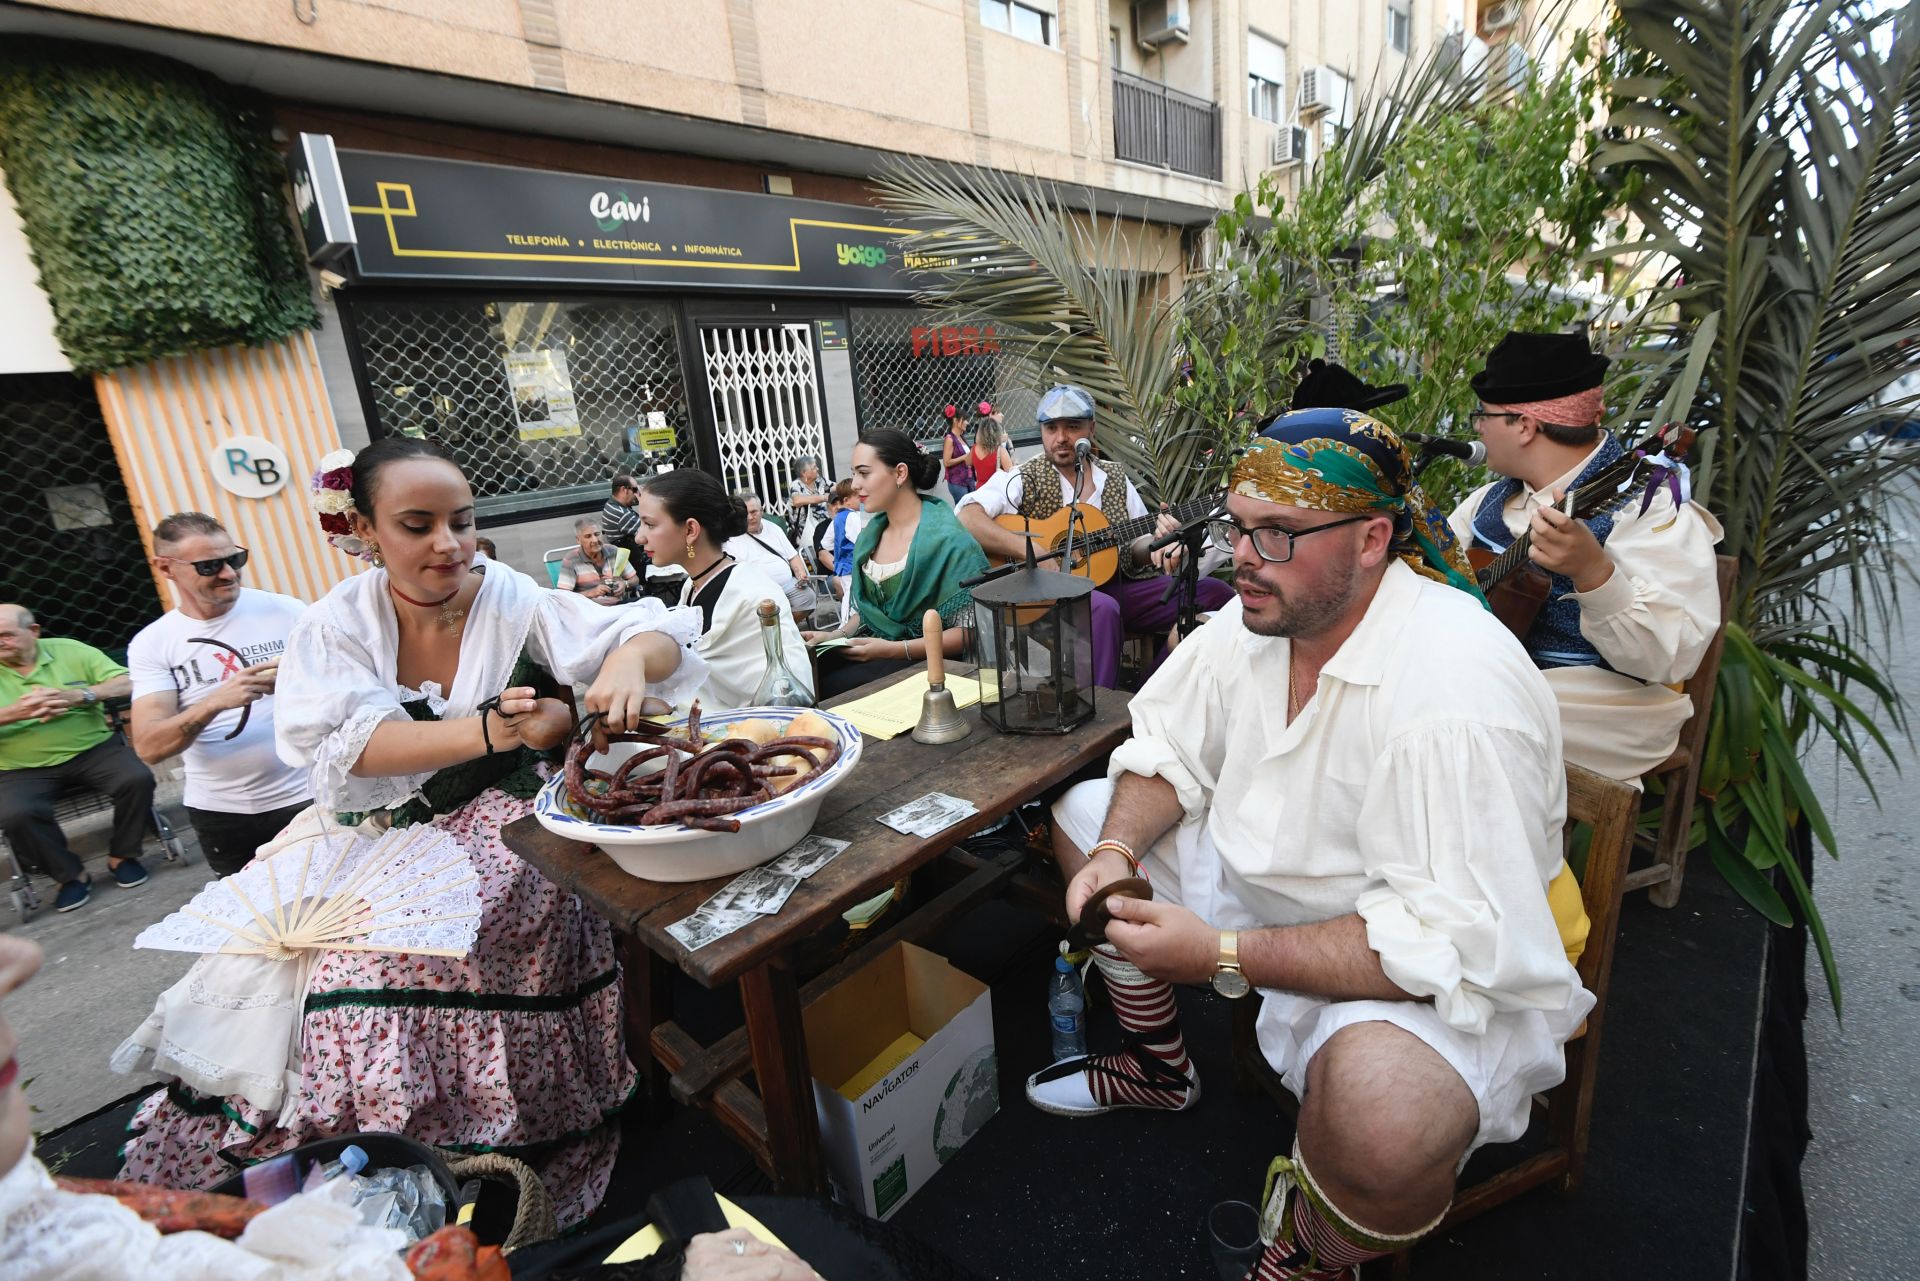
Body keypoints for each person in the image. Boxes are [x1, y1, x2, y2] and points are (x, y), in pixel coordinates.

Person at [1029, 410, 1591, 1281]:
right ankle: (1160, 1068)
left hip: (1438, 958)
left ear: (1372, 539)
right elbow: (1170, 746)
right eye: (1237, 527)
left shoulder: (1456, 695)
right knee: (1085, 815)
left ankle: (1308, 1257)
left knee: (1384, 1117)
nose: (1243, 558)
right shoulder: (1262, 616)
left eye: (1278, 533)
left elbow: (1453, 940)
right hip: (1276, 890)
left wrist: (1221, 952)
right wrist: (1115, 854)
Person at [114, 437, 706, 1229]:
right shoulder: (337, 622)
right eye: (417, 524)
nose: (448, 544)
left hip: (504, 823)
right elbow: (355, 747)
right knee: (315, 966)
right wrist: (497, 729)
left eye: (461, 520)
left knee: (456, 938)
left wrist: (630, 658)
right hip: (372, 829)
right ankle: (381, 1151)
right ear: (364, 528)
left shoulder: (512, 597)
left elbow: (655, 635)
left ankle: (490, 1135)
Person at [1446, 331, 1724, 782]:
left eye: (1484, 415)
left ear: (1524, 425)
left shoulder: (1650, 509)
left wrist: (1594, 574)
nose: (1478, 427)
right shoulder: (1487, 503)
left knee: (1453, 711)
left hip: (1605, 708)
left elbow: (1672, 657)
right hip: (1497, 683)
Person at [955, 384, 1234, 688]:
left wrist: (1158, 543)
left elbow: (1135, 544)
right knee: (1102, 609)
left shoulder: (1114, 477)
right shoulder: (1024, 477)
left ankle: (1150, 688)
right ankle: (1100, 706)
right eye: (1051, 428)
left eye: (1073, 426)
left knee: (1215, 594)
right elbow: (968, 517)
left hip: (1115, 587)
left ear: (1092, 428)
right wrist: (1032, 549)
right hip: (1045, 596)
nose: (1061, 437)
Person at [126, 513, 311, 878]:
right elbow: (149, 746)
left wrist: (299, 681)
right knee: (254, 909)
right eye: (209, 566)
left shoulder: (286, 611)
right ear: (166, 568)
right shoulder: (153, 642)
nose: (228, 573)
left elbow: (345, 687)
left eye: (235, 559)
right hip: (223, 813)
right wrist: (214, 702)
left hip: (308, 795)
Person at [801, 430, 988, 699]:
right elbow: (870, 612)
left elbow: (970, 632)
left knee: (834, 689)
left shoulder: (950, 541)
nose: (855, 485)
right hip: (879, 654)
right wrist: (835, 636)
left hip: (932, 668)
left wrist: (895, 649)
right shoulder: (869, 538)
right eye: (854, 474)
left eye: (864, 473)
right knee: (808, 673)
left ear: (900, 473)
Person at [0, 606, 154, 912]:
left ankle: (123, 856)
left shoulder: (70, 650)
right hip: (21, 768)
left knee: (136, 779)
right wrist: (14, 713)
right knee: (15, 813)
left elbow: (128, 682)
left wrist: (80, 695)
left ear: (34, 631)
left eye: (6, 635)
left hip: (93, 749)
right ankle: (69, 876)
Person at [635, 473, 814, 710]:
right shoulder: (692, 586)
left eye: (649, 524)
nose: (639, 537)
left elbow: (788, 693)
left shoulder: (752, 595)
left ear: (690, 530)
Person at [724, 494, 814, 619]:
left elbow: (793, 556)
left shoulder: (774, 528)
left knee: (809, 598)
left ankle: (781, 627)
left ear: (761, 511)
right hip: (759, 592)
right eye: (745, 514)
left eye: (754, 512)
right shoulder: (732, 538)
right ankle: (776, 627)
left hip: (787, 584)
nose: (750, 517)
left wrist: (801, 575)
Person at [557, 518, 639, 605]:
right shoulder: (571, 560)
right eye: (588, 536)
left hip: (618, 605)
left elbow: (635, 579)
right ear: (578, 540)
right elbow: (563, 596)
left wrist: (625, 584)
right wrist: (592, 592)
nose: (595, 540)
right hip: (589, 609)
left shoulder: (614, 551)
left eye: (597, 534)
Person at [787, 458, 829, 564]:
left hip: (824, 527)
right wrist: (823, 497)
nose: (817, 469)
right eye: (814, 468)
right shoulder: (796, 485)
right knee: (814, 559)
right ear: (804, 473)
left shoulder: (820, 481)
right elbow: (797, 500)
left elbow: (834, 487)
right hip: (806, 530)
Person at [968, 407, 1015, 489]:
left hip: (980, 489)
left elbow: (967, 462)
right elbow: (1011, 476)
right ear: (997, 432)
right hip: (996, 490)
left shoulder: (974, 449)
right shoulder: (1000, 451)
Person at [601, 473, 644, 562]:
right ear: (624, 490)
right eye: (635, 489)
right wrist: (645, 500)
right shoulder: (621, 513)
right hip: (633, 561)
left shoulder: (611, 504)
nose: (637, 493)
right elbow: (648, 531)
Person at [939, 406, 976, 502]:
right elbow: (946, 462)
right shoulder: (950, 439)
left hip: (968, 480)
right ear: (956, 420)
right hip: (958, 482)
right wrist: (964, 457)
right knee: (962, 509)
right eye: (965, 420)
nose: (967, 423)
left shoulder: (961, 437)